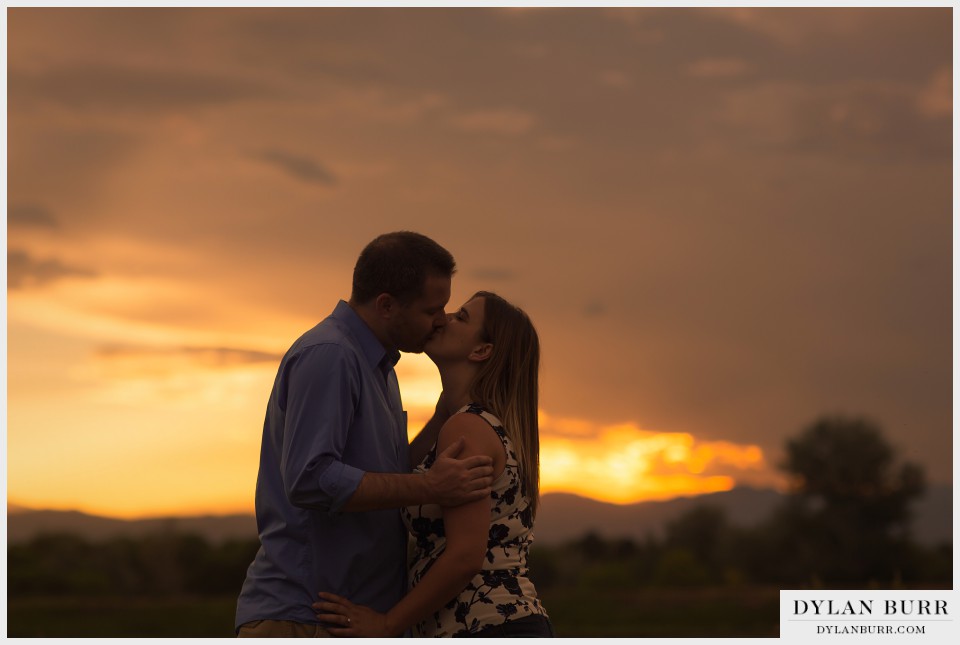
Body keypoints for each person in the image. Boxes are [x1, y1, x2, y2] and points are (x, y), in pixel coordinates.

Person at [235, 232, 495, 637]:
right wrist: (431, 487)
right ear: (387, 305)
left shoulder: (379, 368)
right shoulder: (332, 355)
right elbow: (311, 479)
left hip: (347, 615)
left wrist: (446, 412)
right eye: (432, 310)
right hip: (306, 615)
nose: (441, 319)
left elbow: (383, 474)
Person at [313, 291, 553, 637]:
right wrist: (442, 414)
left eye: (462, 317)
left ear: (481, 350)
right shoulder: (470, 424)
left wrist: (387, 623)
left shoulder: (468, 428)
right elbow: (400, 477)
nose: (444, 318)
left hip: (486, 626)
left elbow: (464, 557)